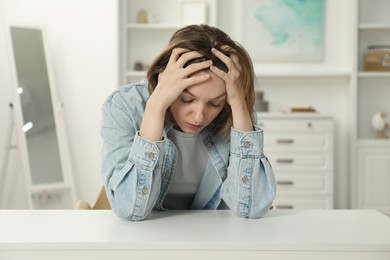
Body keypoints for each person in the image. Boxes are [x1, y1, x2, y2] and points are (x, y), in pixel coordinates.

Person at [101, 24, 276, 221]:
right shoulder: (124, 106)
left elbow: (252, 208)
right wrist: (156, 106)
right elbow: (130, 209)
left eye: (215, 103)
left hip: (213, 237)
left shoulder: (236, 112)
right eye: (186, 99)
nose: (199, 117)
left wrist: (239, 104)